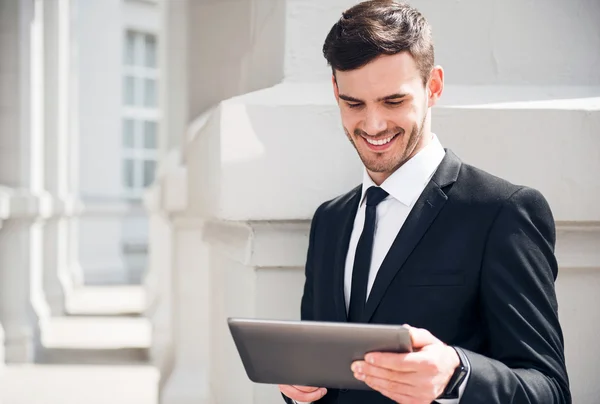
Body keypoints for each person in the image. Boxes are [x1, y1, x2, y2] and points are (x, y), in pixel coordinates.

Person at [279, 1, 571, 403]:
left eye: (393, 101)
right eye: (354, 104)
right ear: (335, 91)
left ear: (433, 86)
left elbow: (550, 390)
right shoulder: (330, 220)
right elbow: (322, 371)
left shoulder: (503, 212)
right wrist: (299, 388)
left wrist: (456, 373)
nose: (373, 124)